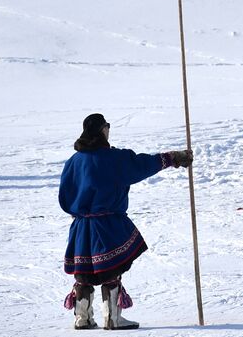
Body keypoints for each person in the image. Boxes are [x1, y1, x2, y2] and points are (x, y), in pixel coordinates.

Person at [59, 114, 191, 330]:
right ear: (102, 130)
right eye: (107, 127)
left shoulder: (72, 162)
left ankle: (82, 318)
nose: (109, 130)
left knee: (84, 274)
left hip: (81, 226)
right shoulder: (112, 158)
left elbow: (65, 196)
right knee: (111, 270)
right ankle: (113, 318)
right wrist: (173, 158)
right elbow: (141, 165)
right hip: (107, 224)